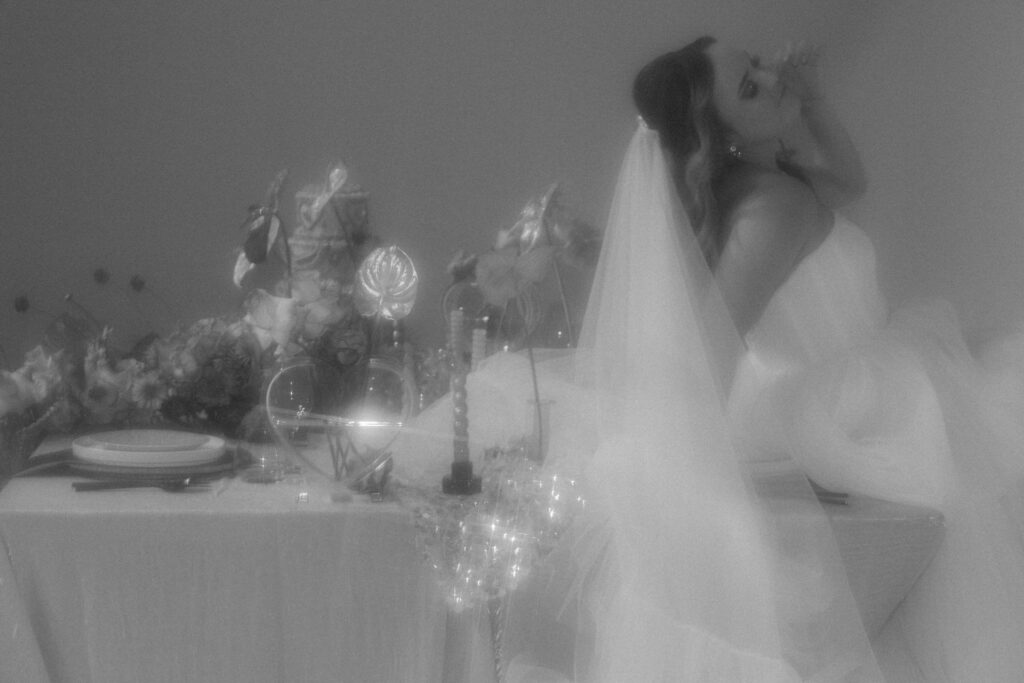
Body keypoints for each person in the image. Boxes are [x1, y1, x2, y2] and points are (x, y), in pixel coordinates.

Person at [622, 35, 1024, 682]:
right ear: (721, 135)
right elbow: (713, 342)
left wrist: (812, 100)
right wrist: (694, 473)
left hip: (859, 388)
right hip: (848, 405)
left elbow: (850, 179)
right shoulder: (771, 209)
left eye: (753, 62)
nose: (769, 74)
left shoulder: (774, 184)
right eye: (750, 87)